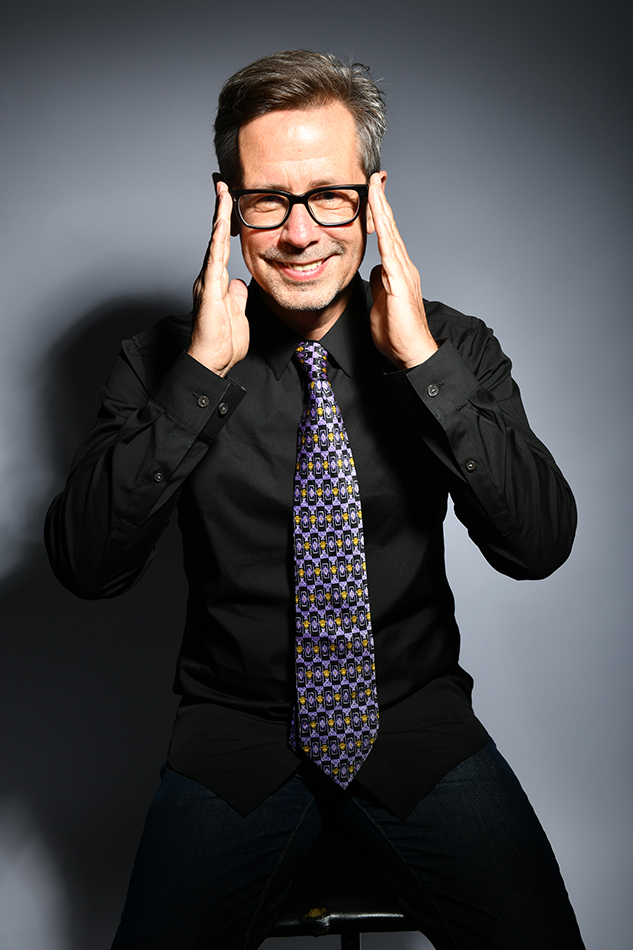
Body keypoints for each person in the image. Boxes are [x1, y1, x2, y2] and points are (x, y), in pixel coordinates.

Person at [45, 50, 585, 949]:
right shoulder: (163, 363)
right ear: (228, 205)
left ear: (372, 199)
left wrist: (420, 364)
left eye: (329, 196)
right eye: (267, 200)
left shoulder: (452, 347)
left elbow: (537, 546)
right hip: (233, 739)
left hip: (415, 727)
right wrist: (199, 375)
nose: (300, 234)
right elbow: (86, 566)